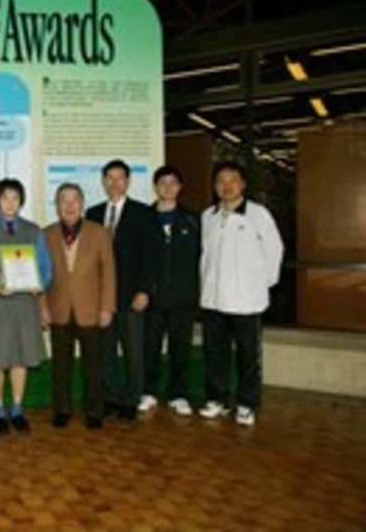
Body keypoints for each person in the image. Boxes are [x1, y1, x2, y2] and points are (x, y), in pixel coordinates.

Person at [199, 161, 283, 427]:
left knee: (248, 356)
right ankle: (218, 400)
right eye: (220, 181)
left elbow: (274, 250)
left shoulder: (258, 214)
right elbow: (205, 256)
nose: (226, 186)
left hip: (247, 302)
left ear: (243, 184)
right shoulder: (208, 216)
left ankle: (247, 404)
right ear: (215, 186)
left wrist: (261, 283)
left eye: (232, 180)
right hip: (213, 299)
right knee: (214, 353)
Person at [0, 178, 51, 435]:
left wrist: (39, 284)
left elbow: (45, 268)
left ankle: (17, 409)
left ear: (21, 201)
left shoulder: (33, 231)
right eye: (5, 198)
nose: (10, 203)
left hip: (25, 304)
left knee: (21, 357)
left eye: (15, 198)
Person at [85, 159, 158, 420]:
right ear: (103, 181)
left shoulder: (143, 213)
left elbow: (151, 256)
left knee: (133, 352)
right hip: (101, 297)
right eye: (110, 178)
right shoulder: (92, 214)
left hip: (131, 296)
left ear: (128, 182)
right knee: (106, 352)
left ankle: (131, 400)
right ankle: (111, 397)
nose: (115, 183)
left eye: (120, 178)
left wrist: (144, 290)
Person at [41, 183, 116, 430]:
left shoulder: (99, 232)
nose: (69, 205)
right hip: (58, 308)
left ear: (82, 204)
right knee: (60, 366)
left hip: (91, 309)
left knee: (93, 366)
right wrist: (42, 306)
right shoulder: (46, 234)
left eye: (74, 200)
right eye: (64, 200)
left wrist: (107, 307)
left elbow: (109, 273)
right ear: (57, 206)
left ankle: (94, 411)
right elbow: (40, 275)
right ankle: (61, 408)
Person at [140, 166, 201, 416]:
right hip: (152, 298)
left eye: (173, 183)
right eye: (162, 183)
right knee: (150, 348)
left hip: (182, 298)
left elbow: (202, 258)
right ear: (155, 187)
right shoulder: (144, 218)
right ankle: (149, 391)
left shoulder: (192, 219)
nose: (167, 187)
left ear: (180, 187)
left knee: (181, 348)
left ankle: (179, 394)